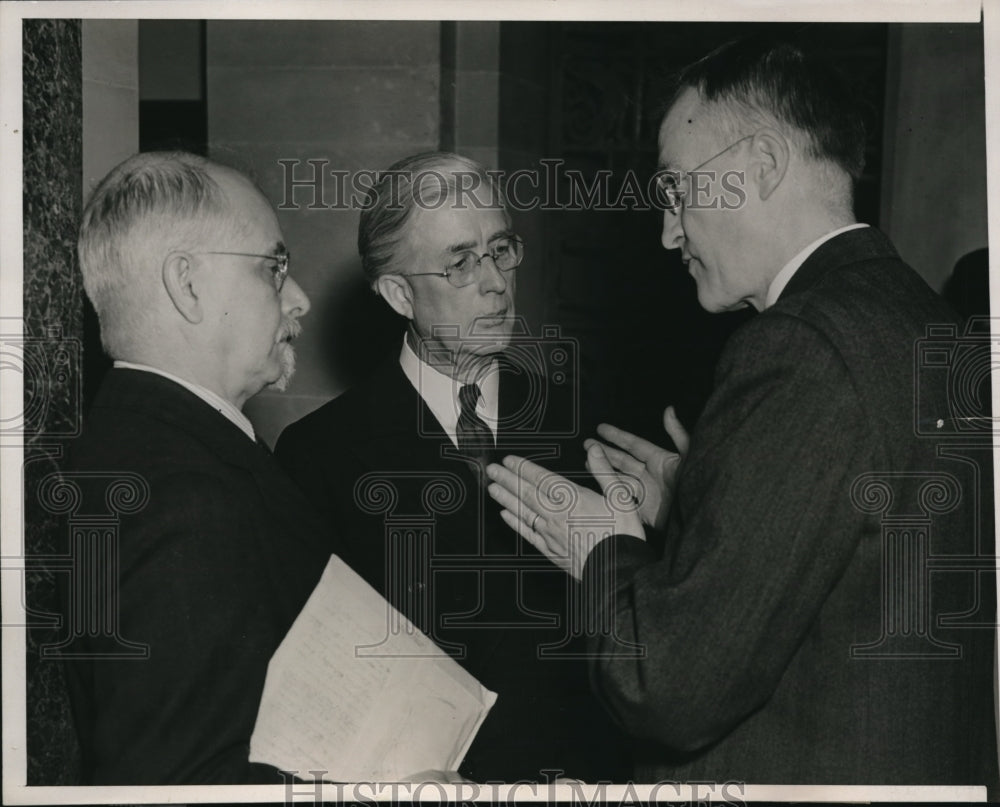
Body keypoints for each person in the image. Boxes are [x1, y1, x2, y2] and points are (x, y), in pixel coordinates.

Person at [486, 38, 998, 786]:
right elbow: (868, 565)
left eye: (675, 191)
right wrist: (700, 500)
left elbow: (664, 684)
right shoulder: (921, 316)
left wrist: (601, 548)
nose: (668, 232)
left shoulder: (798, 346)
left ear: (760, 166)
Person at [275, 152, 630, 783]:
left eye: (500, 250)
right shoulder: (319, 455)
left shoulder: (583, 427)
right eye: (461, 262)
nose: (496, 283)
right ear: (398, 293)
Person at [63, 151, 330, 784]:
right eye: (274, 268)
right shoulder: (185, 498)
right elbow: (181, 785)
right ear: (186, 284)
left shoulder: (147, 450)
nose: (300, 298)